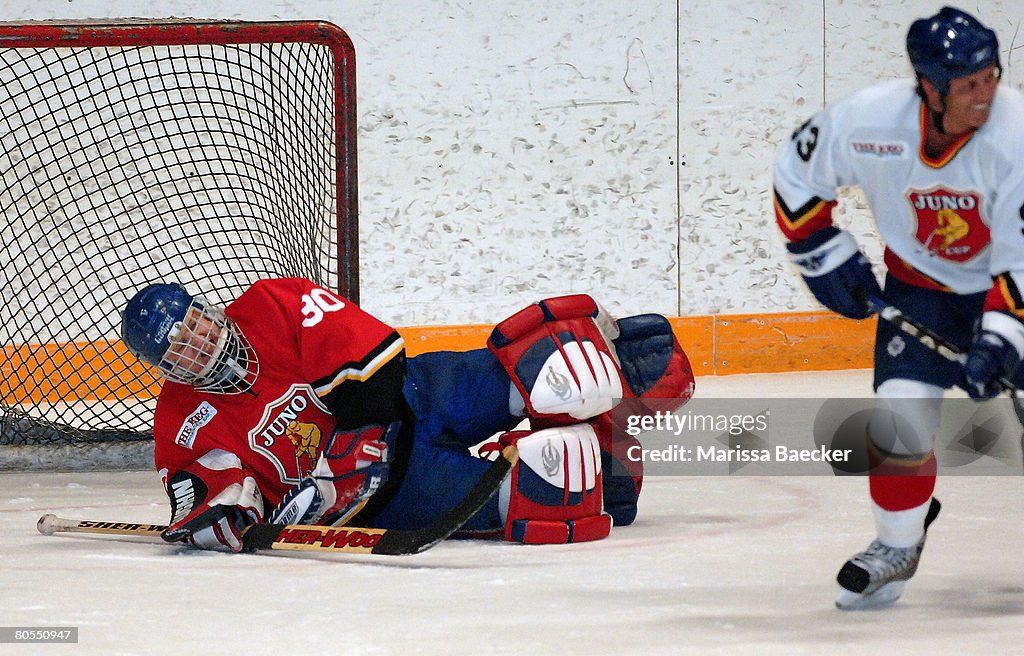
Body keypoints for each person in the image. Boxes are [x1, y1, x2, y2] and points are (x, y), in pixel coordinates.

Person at [120, 277, 694, 552]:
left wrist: (355, 437)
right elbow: (202, 499)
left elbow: (377, 363)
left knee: (546, 365)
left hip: (414, 399)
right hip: (384, 493)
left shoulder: (270, 304)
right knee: (549, 490)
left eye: (195, 324)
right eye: (177, 348)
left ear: (209, 311)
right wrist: (223, 518)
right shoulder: (179, 426)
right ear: (165, 368)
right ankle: (609, 466)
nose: (196, 344)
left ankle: (617, 374)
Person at [774, 6, 1024, 609]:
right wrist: (824, 255)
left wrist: (1002, 339)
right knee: (898, 423)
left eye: (991, 76)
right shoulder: (867, 120)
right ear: (929, 86)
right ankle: (897, 544)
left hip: (1007, 290)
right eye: (968, 84)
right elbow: (796, 172)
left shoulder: (1016, 138)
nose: (985, 94)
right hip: (921, 293)